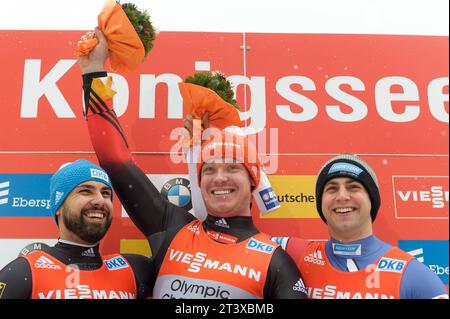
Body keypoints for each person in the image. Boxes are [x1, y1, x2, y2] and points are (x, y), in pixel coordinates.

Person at [77, 29, 307, 299]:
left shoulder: (275, 262)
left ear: (253, 179)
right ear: (199, 181)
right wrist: (93, 71)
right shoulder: (173, 228)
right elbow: (114, 159)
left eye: (232, 167)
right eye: (209, 169)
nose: (219, 177)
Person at [271, 153, 449, 299]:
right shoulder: (295, 253)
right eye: (332, 188)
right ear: (320, 203)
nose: (342, 196)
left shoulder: (411, 274)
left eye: (353, 187)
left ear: (372, 200)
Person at [0, 159, 153, 299]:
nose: (100, 200)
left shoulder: (135, 269)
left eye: (106, 193)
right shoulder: (24, 272)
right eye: (85, 191)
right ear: (59, 206)